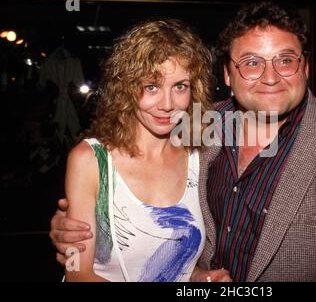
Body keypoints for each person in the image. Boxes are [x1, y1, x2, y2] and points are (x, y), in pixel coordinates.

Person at [51, 1, 316, 281]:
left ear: (305, 67)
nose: (270, 77)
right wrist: (86, 224)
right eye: (252, 63)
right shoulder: (201, 130)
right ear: (228, 73)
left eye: (285, 60)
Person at [57, 18, 231, 282]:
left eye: (180, 86)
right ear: (126, 88)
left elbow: (178, 267)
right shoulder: (90, 160)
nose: (167, 104)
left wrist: (200, 279)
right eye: (151, 86)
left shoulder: (199, 155)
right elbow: (76, 273)